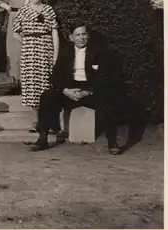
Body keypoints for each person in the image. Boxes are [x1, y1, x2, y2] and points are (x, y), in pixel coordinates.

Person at [32, 22, 122, 155]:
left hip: (90, 91)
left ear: (88, 36)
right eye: (77, 35)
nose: (81, 38)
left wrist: (88, 91)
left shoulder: (99, 51)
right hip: (71, 91)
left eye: (84, 34)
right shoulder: (65, 51)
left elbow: (105, 76)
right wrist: (65, 90)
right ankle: (43, 138)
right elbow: (55, 76)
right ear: (71, 37)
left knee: (107, 99)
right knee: (47, 96)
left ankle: (112, 142)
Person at [12, 0, 59, 132]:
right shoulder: (23, 11)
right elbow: (15, 32)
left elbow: (54, 33)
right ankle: (36, 121)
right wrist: (27, 42)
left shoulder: (49, 10)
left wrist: (55, 56)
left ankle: (49, 122)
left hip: (46, 50)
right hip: (30, 52)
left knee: (46, 85)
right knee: (32, 86)